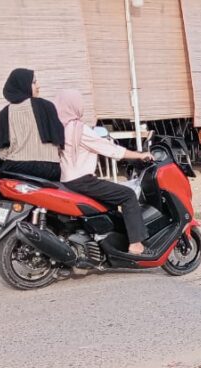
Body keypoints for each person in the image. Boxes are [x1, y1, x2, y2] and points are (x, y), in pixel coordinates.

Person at [55, 90, 153, 255]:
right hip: (83, 180)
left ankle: (112, 240)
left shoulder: (60, 128)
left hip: (67, 180)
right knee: (128, 195)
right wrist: (140, 155)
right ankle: (136, 245)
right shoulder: (79, 129)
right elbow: (110, 149)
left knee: (110, 203)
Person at [0, 69, 65, 181]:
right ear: (23, 84)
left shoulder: (5, 113)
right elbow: (59, 142)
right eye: (34, 82)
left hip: (18, 168)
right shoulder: (47, 107)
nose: (38, 86)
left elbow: (2, 151)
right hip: (51, 168)